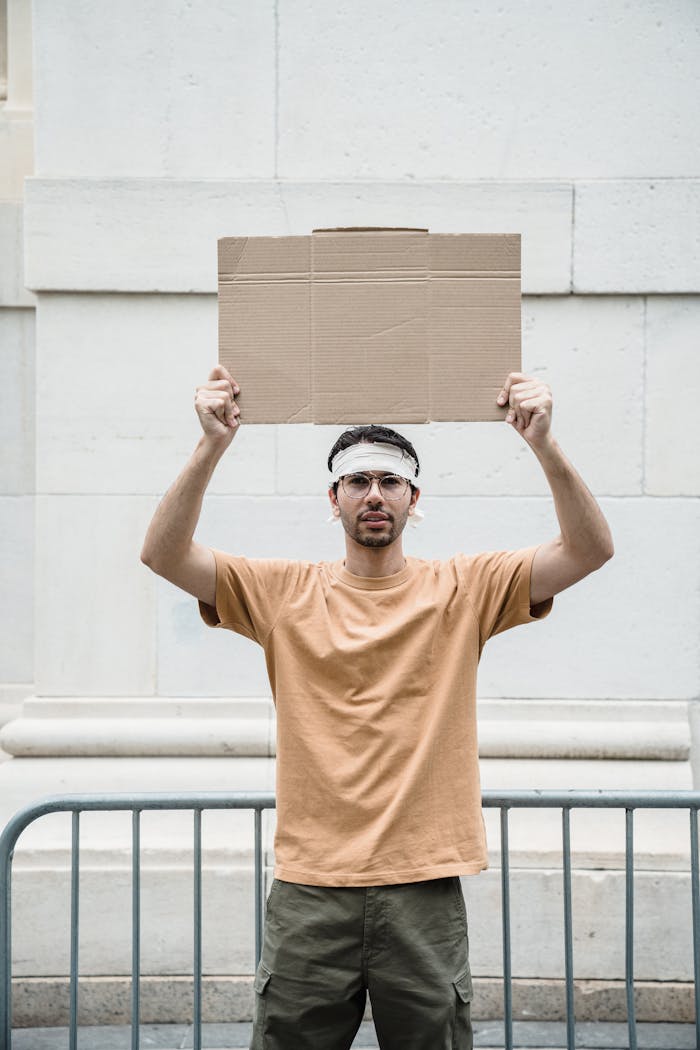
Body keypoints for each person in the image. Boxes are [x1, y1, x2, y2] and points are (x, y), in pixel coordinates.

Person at [141, 365, 614, 1050]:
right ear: (331, 498)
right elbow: (162, 554)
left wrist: (544, 443)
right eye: (358, 481)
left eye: (389, 481)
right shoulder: (281, 591)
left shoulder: (465, 587)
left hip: (423, 885)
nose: (374, 495)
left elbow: (590, 550)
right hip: (311, 886)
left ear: (413, 500)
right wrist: (210, 445)